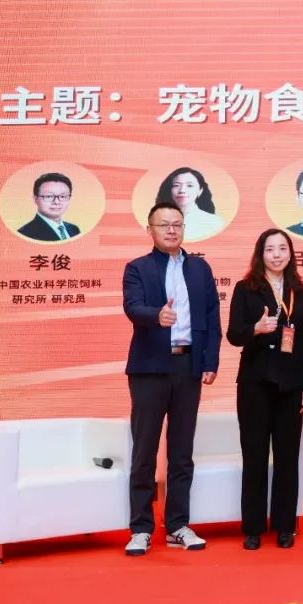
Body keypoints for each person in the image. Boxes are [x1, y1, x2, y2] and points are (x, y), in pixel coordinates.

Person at [122, 201, 221, 556]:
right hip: (149, 368)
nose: (171, 230)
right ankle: (141, 528)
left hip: (188, 365)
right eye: (163, 224)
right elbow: (132, 306)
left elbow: (212, 316)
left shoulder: (200, 268)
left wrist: (210, 361)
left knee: (181, 451)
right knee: (145, 451)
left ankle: (178, 525)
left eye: (177, 224)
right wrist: (156, 315)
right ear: (149, 230)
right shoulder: (138, 268)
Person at [226, 228, 303, 550]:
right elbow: (233, 334)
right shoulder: (245, 289)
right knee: (254, 456)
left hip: (291, 384)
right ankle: (252, 527)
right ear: (260, 254)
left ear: (290, 254)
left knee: (287, 457)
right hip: (255, 383)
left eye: (282, 249)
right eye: (270, 249)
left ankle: (284, 526)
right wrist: (255, 328)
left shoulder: (300, 292)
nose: (276, 255)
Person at [155, 167, 224, 241]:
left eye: (189, 185)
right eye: (176, 185)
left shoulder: (214, 222)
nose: (182, 190)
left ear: (200, 191)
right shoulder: (157, 220)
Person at [17, 172, 82, 241]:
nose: (56, 202)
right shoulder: (25, 234)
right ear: (35, 199)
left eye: (63, 196)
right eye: (49, 196)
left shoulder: (74, 229)